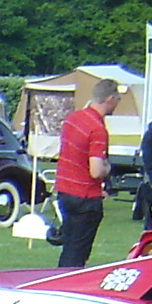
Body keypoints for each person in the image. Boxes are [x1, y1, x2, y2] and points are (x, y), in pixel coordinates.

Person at [53, 78, 117, 268]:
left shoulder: (72, 119)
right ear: (110, 99)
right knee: (77, 252)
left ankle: (59, 282)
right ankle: (65, 288)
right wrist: (108, 168)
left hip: (65, 190)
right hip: (85, 196)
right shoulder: (97, 129)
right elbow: (96, 170)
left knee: (69, 245)